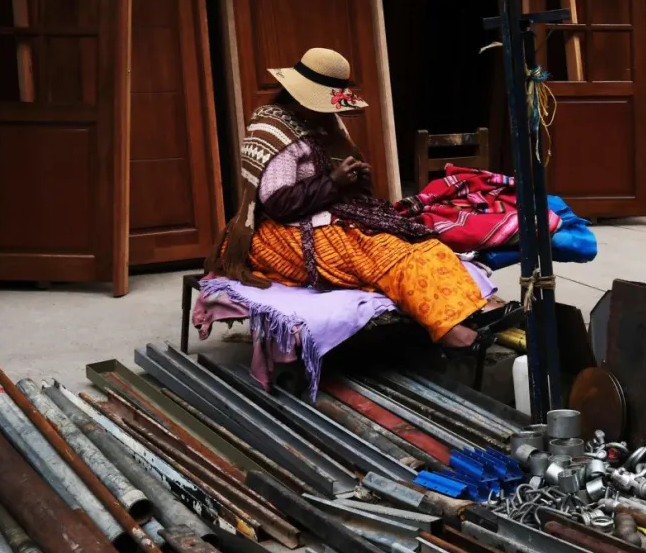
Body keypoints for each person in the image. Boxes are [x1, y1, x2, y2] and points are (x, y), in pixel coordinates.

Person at [207, 48, 486, 351]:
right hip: (282, 231)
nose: (330, 110)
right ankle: (448, 330)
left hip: (331, 215)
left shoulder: (324, 121)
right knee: (388, 256)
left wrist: (356, 179)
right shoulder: (271, 128)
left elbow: (345, 180)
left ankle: (464, 312)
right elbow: (277, 204)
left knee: (423, 244)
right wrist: (333, 182)